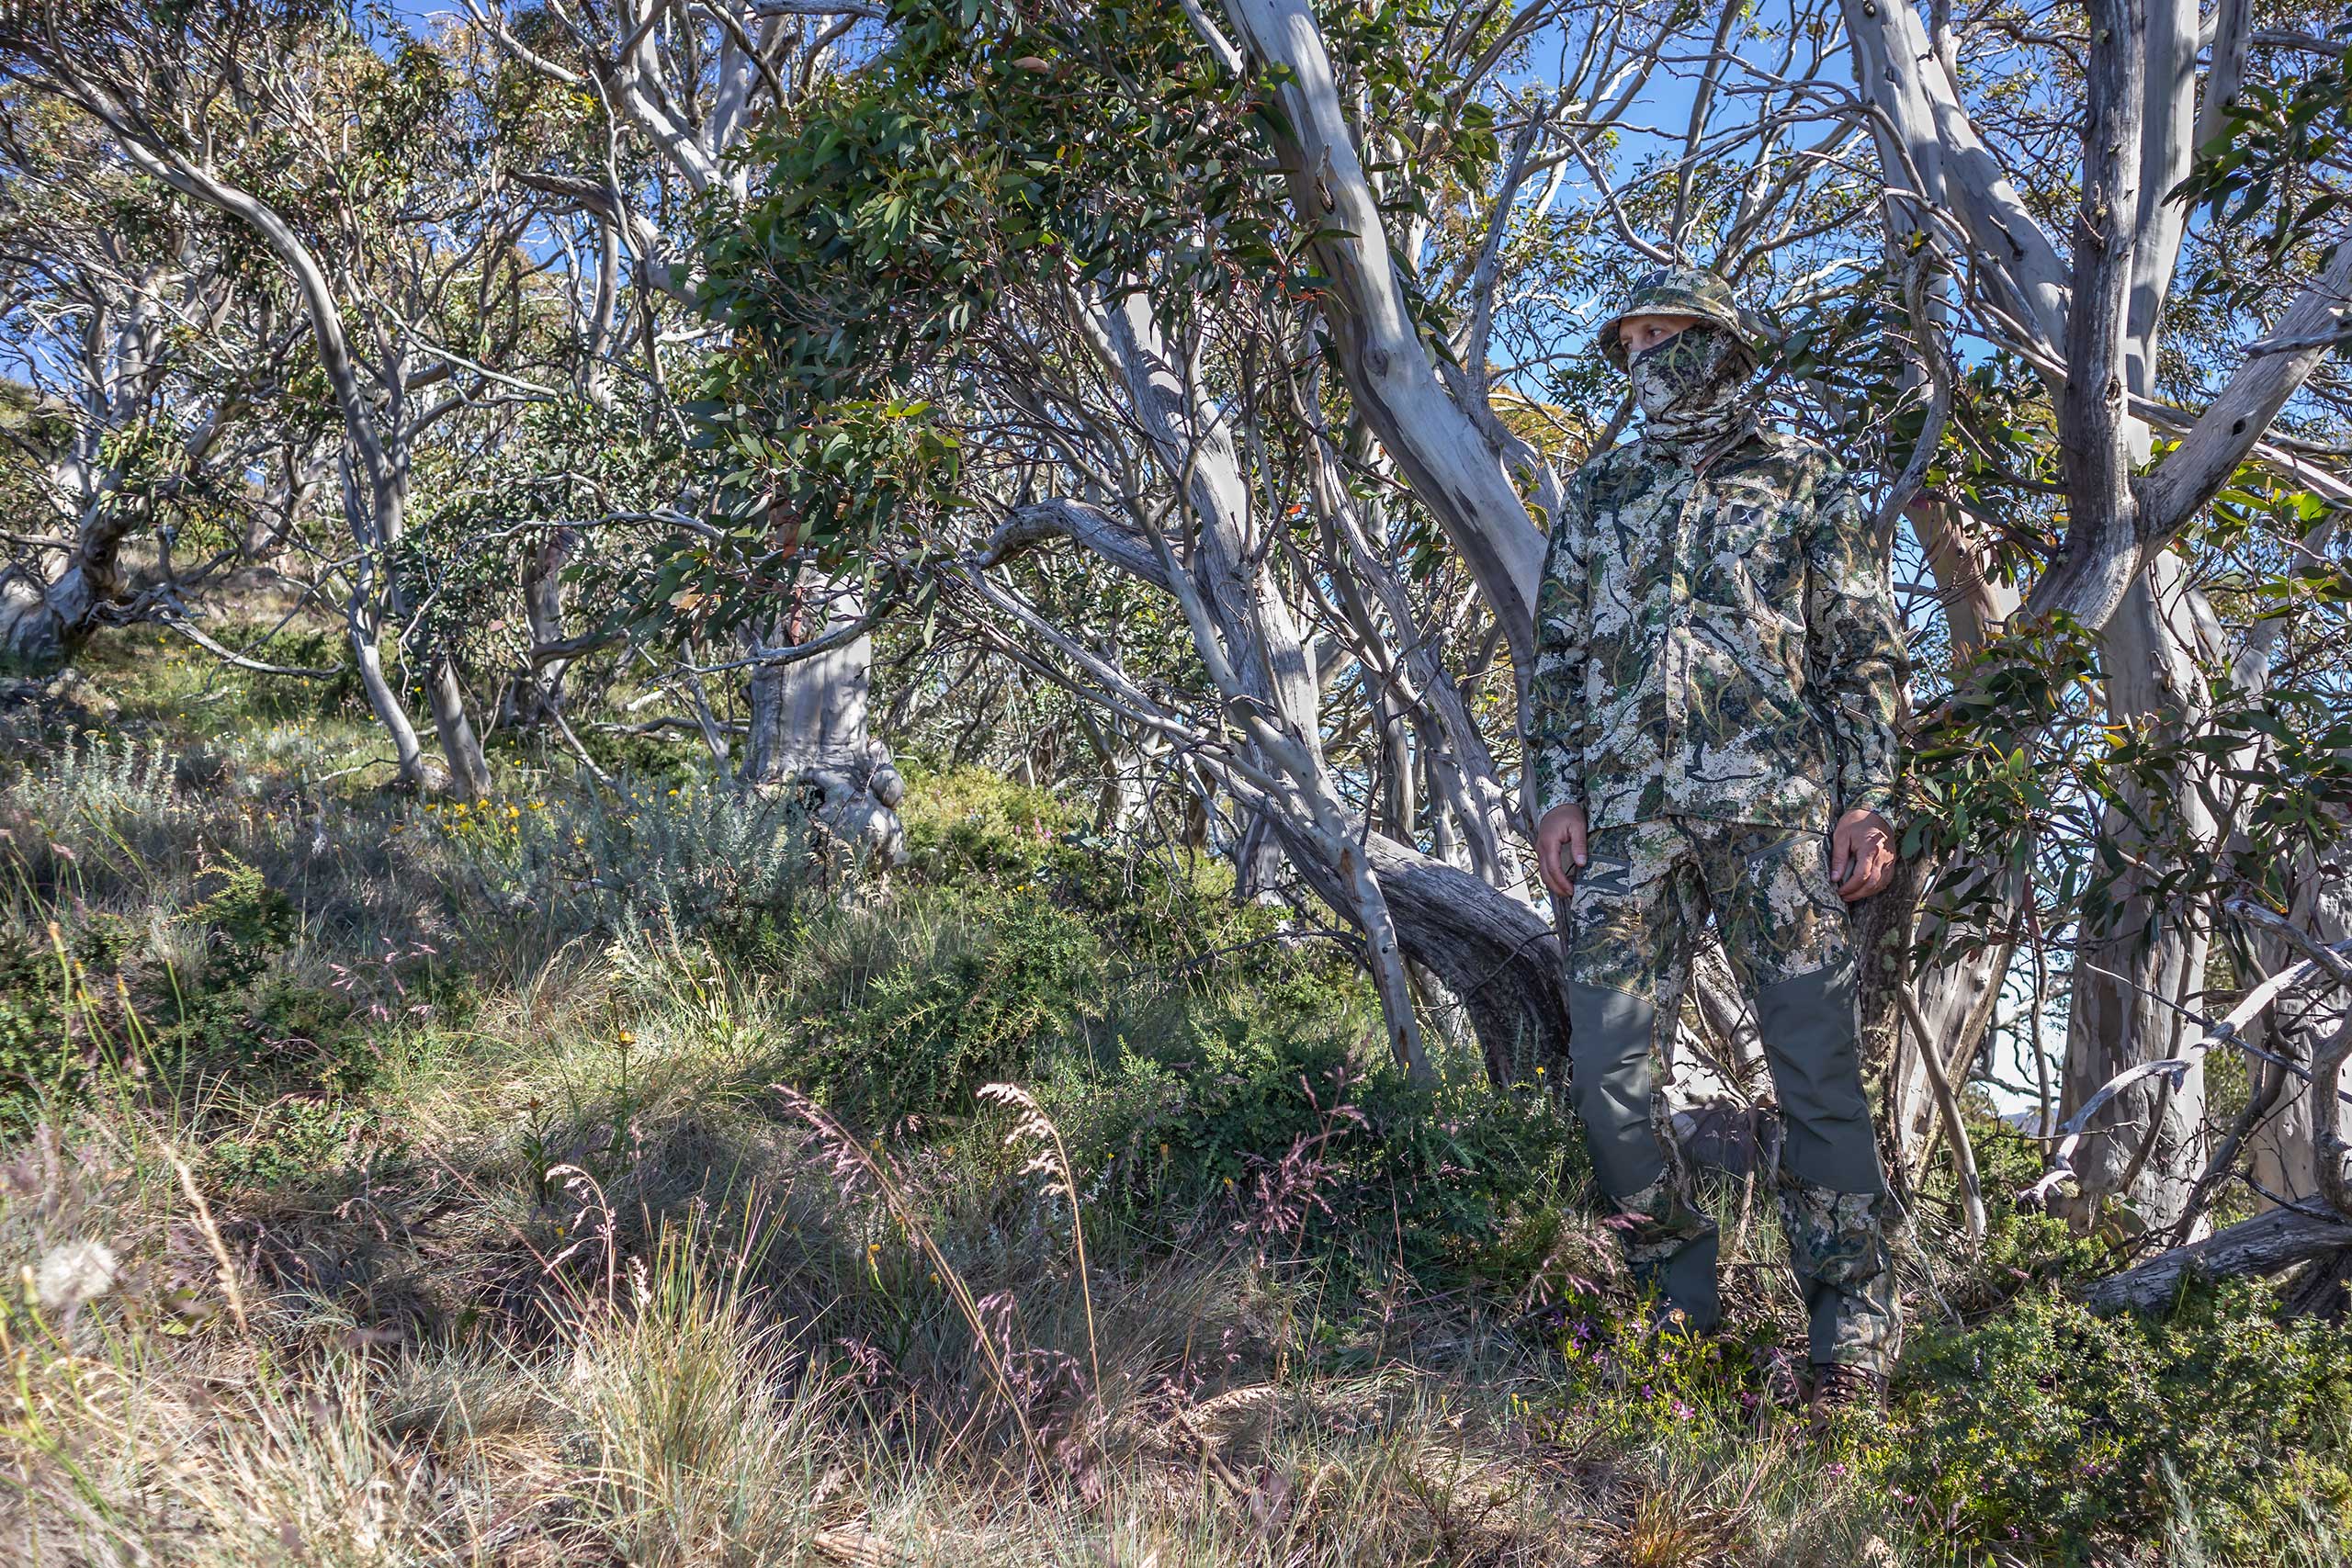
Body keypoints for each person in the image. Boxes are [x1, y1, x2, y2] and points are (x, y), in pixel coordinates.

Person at [1523, 265, 1908, 1425]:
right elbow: (1556, 664)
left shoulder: (1802, 480)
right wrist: (1554, 794)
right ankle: (1680, 1329)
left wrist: (1866, 800)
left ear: (1723, 344)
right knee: (1609, 1080)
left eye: (1667, 335)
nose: (1646, 355)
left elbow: (1862, 654)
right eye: (1630, 338)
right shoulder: (1602, 491)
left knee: (1820, 1083)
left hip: (1778, 818)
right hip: (1629, 827)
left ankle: (1847, 1344)